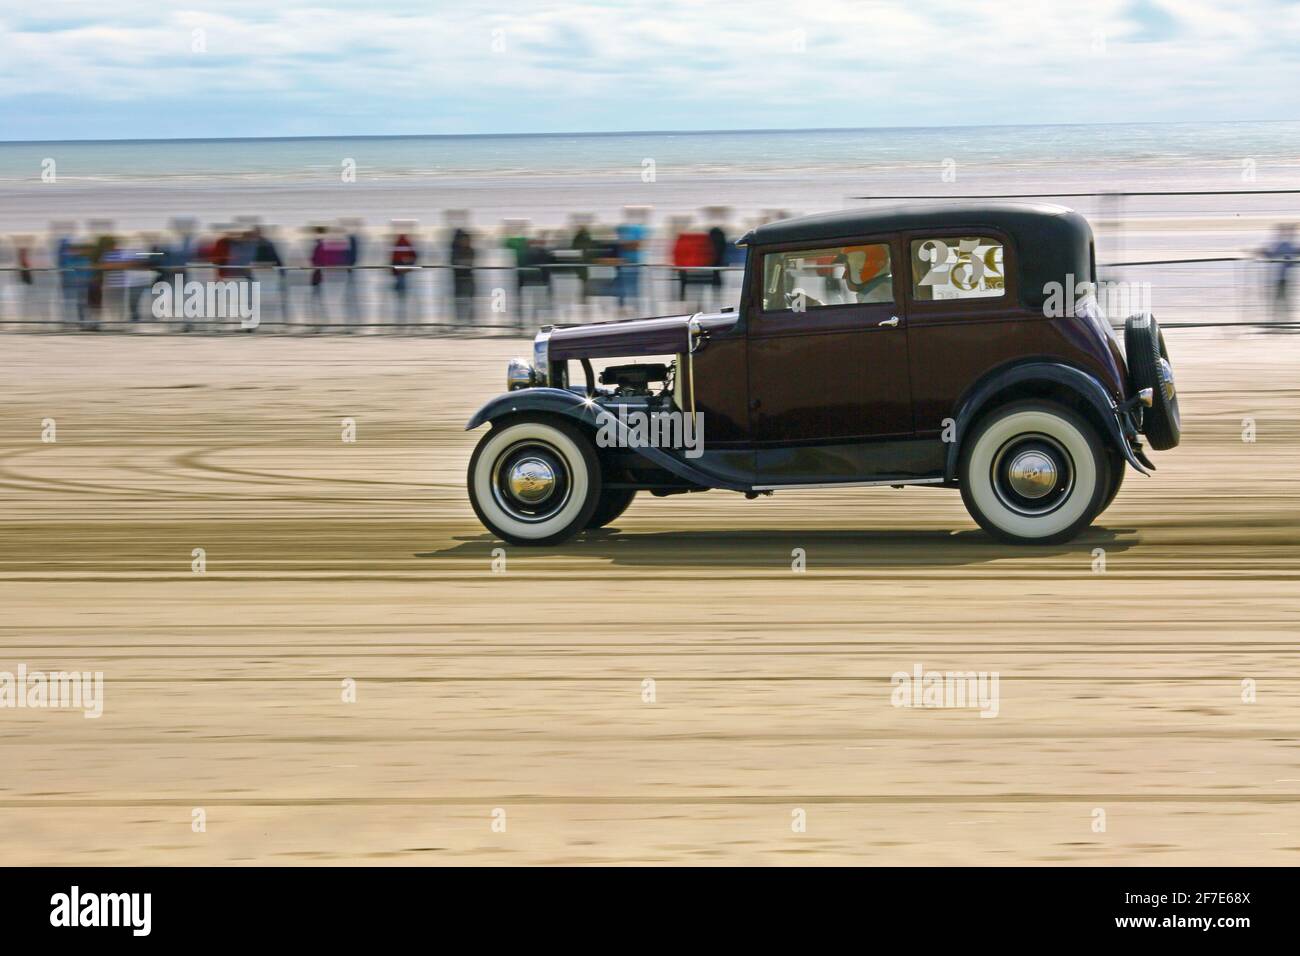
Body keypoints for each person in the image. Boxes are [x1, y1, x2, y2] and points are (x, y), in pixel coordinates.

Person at [1258, 223, 1298, 326]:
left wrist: (1264, 253)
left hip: (1284, 277)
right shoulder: (1285, 245)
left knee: (1281, 299)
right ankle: (1282, 320)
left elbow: (1272, 255)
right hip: (1281, 277)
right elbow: (1272, 255)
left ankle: (1282, 321)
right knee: (1281, 298)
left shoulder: (1286, 245)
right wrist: (1263, 252)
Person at [616, 206, 650, 315]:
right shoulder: (624, 229)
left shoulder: (638, 229)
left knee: (634, 286)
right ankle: (624, 306)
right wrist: (632, 244)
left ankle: (634, 306)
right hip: (626, 261)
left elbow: (638, 244)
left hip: (634, 262)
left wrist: (629, 244)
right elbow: (629, 244)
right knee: (623, 285)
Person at [447, 213, 476, 327]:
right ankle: (459, 321)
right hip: (458, 277)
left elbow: (469, 262)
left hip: (467, 276)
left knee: (469, 299)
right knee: (458, 300)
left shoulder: (471, 250)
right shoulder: (455, 250)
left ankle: (470, 321)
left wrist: (462, 263)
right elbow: (455, 262)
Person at [390, 223, 419, 327]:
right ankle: (403, 322)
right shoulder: (406, 243)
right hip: (403, 274)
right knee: (404, 298)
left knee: (401, 298)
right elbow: (414, 256)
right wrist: (410, 267)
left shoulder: (399, 244)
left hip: (400, 274)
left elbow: (393, 260)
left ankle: (401, 322)